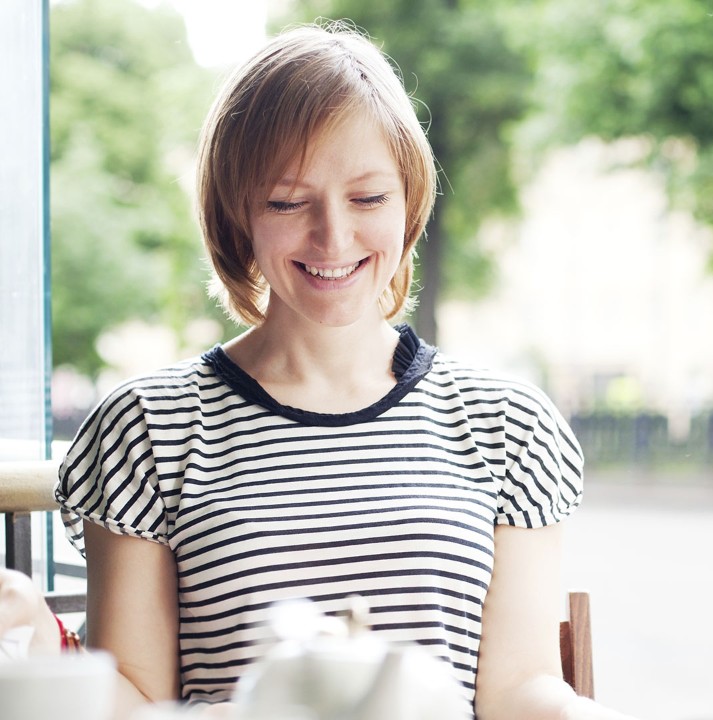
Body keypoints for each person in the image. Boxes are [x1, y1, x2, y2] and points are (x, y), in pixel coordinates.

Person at [1, 21, 637, 720]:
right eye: (287, 201)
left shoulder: (508, 424)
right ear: (237, 214)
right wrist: (38, 637)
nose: (333, 237)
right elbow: (140, 700)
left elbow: (519, 689)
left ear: (410, 204)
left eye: (368, 198)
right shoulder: (149, 428)